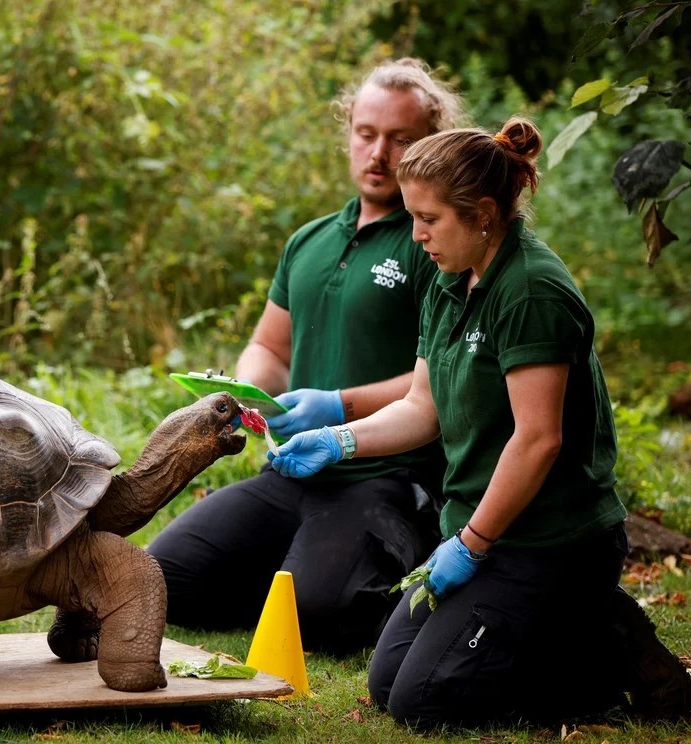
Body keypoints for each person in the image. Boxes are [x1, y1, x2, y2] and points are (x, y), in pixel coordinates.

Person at [265, 117, 691, 726]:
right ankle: (569, 626)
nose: (416, 236)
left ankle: (608, 653)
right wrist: (339, 439)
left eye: (429, 220)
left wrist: (471, 544)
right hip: (480, 529)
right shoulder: (448, 279)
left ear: (485, 213)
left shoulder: (531, 292)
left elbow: (539, 439)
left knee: (426, 701)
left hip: (547, 540)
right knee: (389, 684)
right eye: (413, 218)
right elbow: (423, 407)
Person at [147, 59, 466, 654]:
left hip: (385, 478)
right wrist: (243, 397)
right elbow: (269, 346)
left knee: (318, 620)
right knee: (161, 582)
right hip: (292, 471)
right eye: (366, 133)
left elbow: (443, 385)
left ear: (430, 147)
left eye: (401, 140)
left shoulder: (434, 241)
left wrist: (336, 406)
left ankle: (358, 576)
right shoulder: (311, 239)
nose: (379, 153)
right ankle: (302, 581)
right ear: (348, 132)